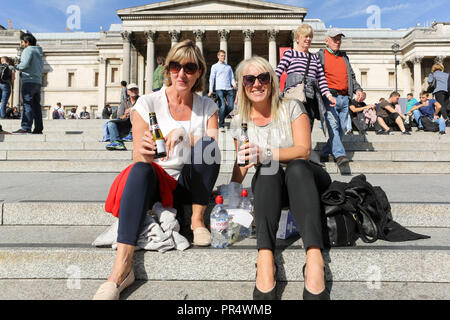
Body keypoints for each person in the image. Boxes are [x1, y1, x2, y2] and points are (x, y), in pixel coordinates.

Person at [93, 40, 220, 300]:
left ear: (199, 73)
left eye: (190, 67)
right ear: (167, 70)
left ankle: (196, 220)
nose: (182, 74)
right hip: (155, 179)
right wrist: (147, 152)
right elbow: (138, 153)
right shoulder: (147, 103)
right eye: (176, 66)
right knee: (139, 169)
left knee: (207, 145)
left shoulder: (208, 107)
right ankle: (121, 269)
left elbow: (213, 148)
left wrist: (184, 133)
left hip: (189, 183)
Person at [230, 56, 332, 301]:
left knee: (294, 166)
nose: (257, 84)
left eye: (263, 78)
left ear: (272, 82)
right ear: (242, 86)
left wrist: (264, 152)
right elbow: (242, 163)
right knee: (267, 169)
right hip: (272, 185)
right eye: (249, 79)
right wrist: (230, 193)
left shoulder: (292, 107)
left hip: (305, 178)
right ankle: (265, 258)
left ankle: (315, 259)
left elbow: (304, 150)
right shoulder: (239, 121)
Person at [317, 29, 364, 167]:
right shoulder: (320, 56)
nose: (337, 42)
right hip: (329, 97)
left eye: (339, 39)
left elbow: (352, 77)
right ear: (326, 41)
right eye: (334, 39)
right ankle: (340, 155)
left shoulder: (344, 57)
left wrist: (358, 89)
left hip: (344, 98)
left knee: (342, 129)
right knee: (333, 126)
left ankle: (326, 152)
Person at [276, 24, 336, 130]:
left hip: (310, 97)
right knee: (292, 126)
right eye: (305, 36)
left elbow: (321, 78)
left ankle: (306, 146)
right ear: (298, 38)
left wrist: (328, 95)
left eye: (310, 36)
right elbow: (277, 73)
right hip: (294, 96)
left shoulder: (314, 57)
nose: (308, 39)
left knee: (308, 126)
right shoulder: (290, 53)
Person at [12, 33, 44, 134]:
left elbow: (24, 65)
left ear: (27, 42)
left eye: (22, 42)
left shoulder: (28, 50)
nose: (21, 44)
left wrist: (14, 66)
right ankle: (38, 128)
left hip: (28, 81)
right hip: (37, 82)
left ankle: (25, 127)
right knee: (36, 106)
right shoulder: (39, 52)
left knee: (27, 105)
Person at [105, 84, 139, 151]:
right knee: (110, 123)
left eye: (135, 89)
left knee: (134, 112)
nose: (133, 91)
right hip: (125, 124)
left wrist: (132, 109)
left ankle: (132, 135)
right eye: (131, 89)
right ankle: (116, 142)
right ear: (128, 92)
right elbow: (119, 116)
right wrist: (124, 115)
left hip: (138, 124)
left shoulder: (142, 100)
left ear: (138, 91)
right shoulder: (124, 102)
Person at [208, 50, 237, 129]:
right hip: (219, 88)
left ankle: (221, 118)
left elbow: (232, 77)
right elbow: (212, 78)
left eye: (224, 55)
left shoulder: (228, 67)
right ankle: (221, 124)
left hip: (228, 88)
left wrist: (234, 84)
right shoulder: (214, 66)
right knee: (222, 106)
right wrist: (211, 90)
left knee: (231, 106)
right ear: (218, 56)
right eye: (221, 55)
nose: (223, 57)